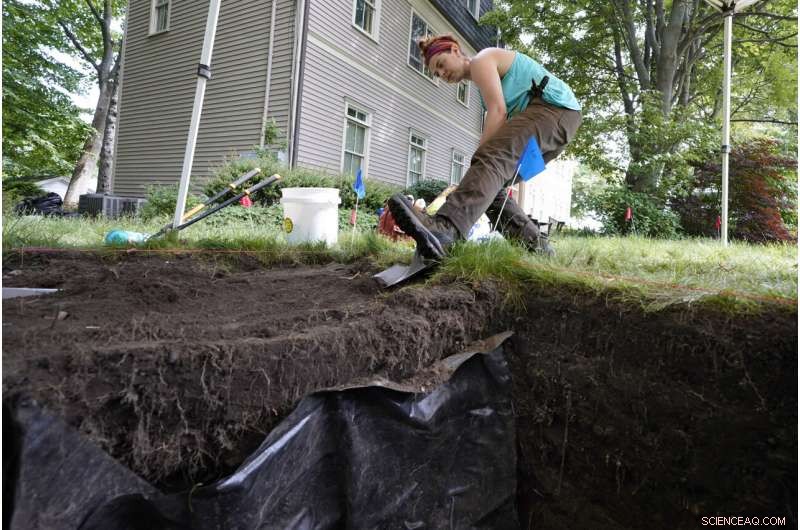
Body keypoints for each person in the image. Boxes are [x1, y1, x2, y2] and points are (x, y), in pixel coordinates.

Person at [388, 35, 581, 259]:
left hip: (555, 110)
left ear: (455, 50)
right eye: (436, 73)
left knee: (489, 162)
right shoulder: (484, 83)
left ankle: (445, 228)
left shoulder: (482, 60)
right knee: (490, 186)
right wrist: (478, 171)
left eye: (441, 64)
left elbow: (497, 112)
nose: (441, 74)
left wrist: (478, 160)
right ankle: (538, 250)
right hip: (562, 124)